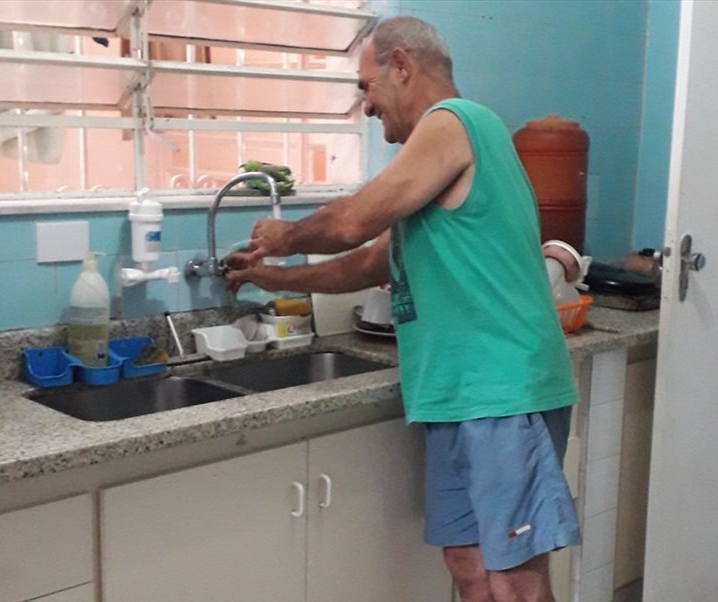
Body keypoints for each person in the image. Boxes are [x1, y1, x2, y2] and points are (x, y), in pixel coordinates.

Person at [226, 16, 580, 602]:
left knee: (514, 580)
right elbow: (370, 262)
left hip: (502, 389)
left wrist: (285, 237)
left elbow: (353, 220)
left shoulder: (454, 122)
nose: (366, 106)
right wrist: (272, 277)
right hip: (453, 394)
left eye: (366, 87)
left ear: (402, 66)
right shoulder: (431, 170)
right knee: (468, 566)